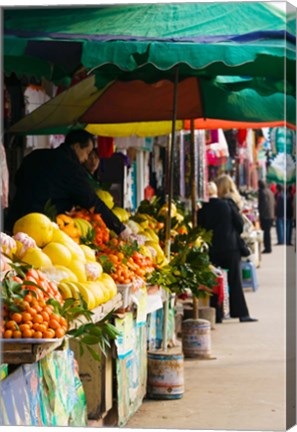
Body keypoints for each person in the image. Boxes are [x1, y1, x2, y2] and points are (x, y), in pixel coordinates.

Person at [5, 130, 131, 240]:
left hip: (13, 222)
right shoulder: (73, 169)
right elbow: (93, 202)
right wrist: (120, 229)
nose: (86, 158)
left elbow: (17, 180)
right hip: (39, 229)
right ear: (76, 146)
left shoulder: (36, 155)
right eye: (87, 152)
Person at [198, 176, 257, 323]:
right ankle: (241, 313)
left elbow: (200, 228)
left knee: (214, 281)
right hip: (231, 248)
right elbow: (239, 224)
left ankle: (216, 315)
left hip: (213, 249)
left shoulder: (203, 209)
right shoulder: (227, 205)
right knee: (235, 281)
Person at [257, 180, 275, 253]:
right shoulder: (269, 191)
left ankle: (267, 248)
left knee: (266, 233)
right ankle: (268, 247)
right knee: (267, 232)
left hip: (265, 215)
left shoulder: (262, 192)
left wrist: (261, 215)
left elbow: (263, 205)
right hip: (270, 214)